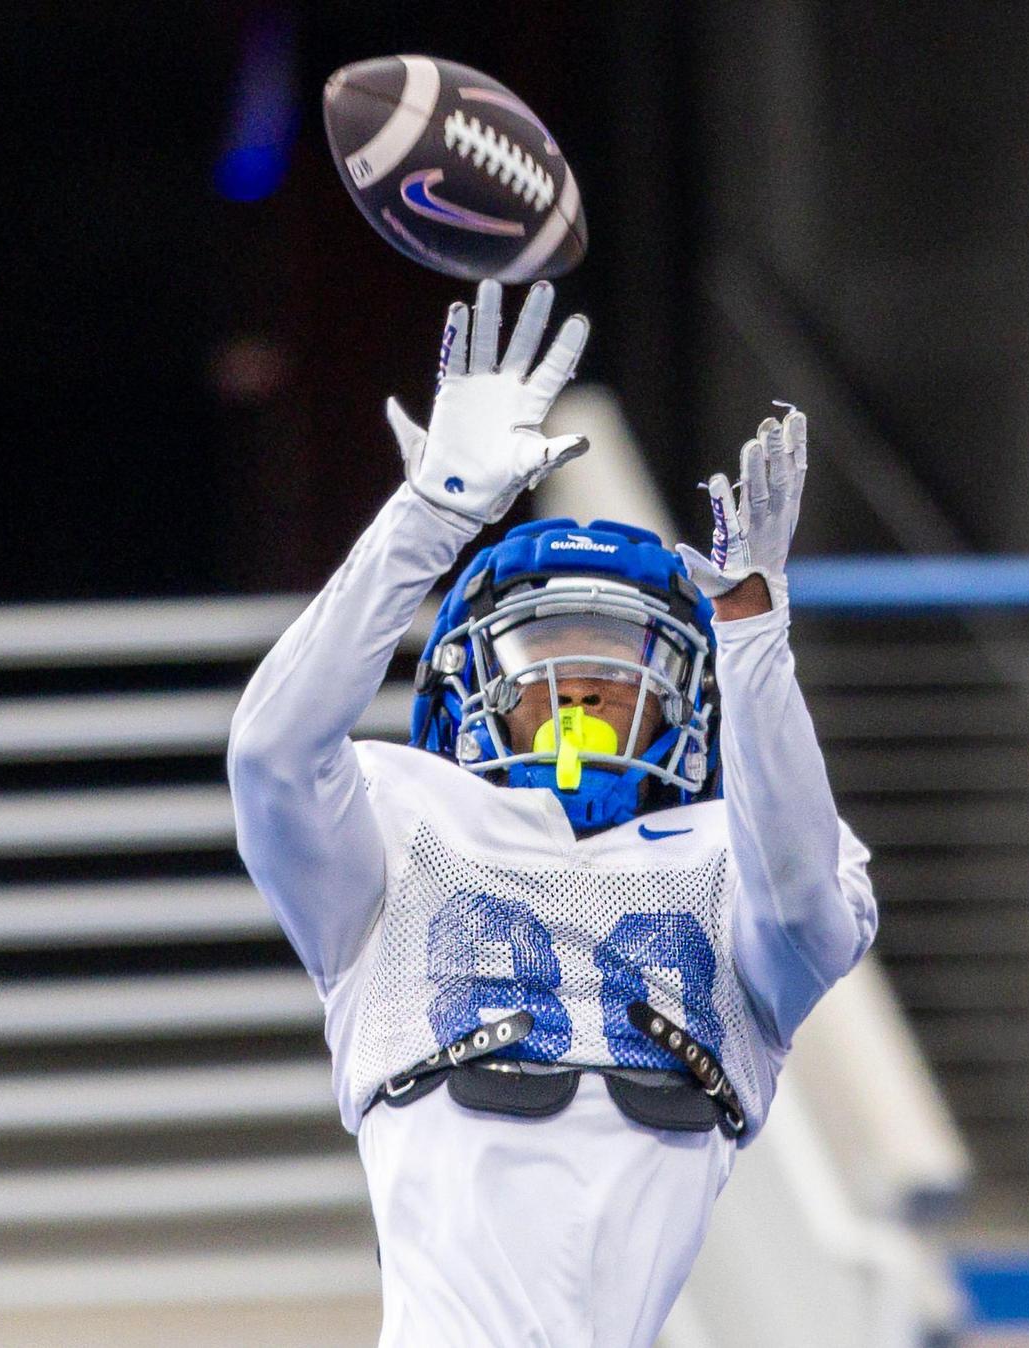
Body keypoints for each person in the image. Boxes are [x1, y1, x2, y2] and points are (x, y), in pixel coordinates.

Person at [227, 280, 878, 1348]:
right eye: (540, 666)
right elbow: (269, 752)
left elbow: (806, 903)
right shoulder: (398, 829)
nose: (578, 693)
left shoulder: (735, 854)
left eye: (620, 671)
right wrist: (428, 515)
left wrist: (757, 640)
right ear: (464, 688)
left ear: (689, 696)